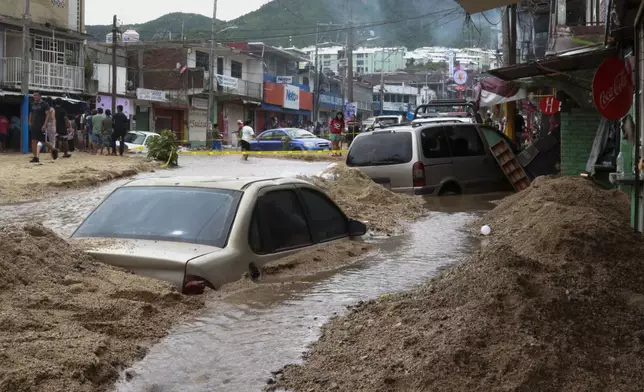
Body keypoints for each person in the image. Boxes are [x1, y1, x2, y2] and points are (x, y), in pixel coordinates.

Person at [29, 92, 57, 163]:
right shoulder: (32, 104)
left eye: (36, 95)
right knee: (33, 141)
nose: (34, 97)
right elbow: (31, 113)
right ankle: (35, 157)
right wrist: (29, 122)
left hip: (41, 125)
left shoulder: (44, 104)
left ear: (40, 96)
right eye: (34, 95)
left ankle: (53, 149)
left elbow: (47, 115)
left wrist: (45, 125)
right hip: (34, 125)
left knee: (43, 141)